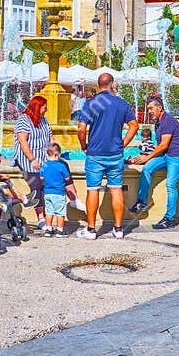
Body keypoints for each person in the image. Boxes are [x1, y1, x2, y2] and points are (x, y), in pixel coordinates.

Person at [74, 72, 139, 240]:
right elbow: (134, 125)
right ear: (112, 84)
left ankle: (91, 230)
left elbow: (81, 129)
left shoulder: (91, 103)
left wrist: (83, 146)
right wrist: (123, 143)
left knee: (93, 190)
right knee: (116, 189)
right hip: (115, 154)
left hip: (95, 153)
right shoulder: (122, 103)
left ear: (99, 85)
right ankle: (118, 229)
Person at [131, 94, 179, 230]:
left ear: (160, 108)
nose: (149, 111)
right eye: (148, 109)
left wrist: (146, 157)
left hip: (177, 157)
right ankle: (142, 202)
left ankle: (170, 218)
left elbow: (163, 145)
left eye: (151, 108)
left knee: (170, 184)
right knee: (147, 169)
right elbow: (160, 149)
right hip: (166, 156)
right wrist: (142, 158)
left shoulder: (168, 120)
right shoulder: (158, 123)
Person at [12, 94, 53, 227]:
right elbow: (23, 141)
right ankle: (41, 217)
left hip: (43, 158)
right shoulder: (23, 120)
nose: (46, 110)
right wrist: (32, 159)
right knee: (36, 186)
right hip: (27, 160)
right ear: (37, 107)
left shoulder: (43, 120)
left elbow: (50, 137)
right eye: (44, 108)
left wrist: (55, 153)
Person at [39, 142, 74, 238]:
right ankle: (59, 230)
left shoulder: (44, 165)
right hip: (59, 193)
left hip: (47, 193)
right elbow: (67, 178)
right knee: (60, 212)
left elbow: (41, 178)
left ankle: (48, 230)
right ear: (56, 154)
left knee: (49, 212)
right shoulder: (61, 166)